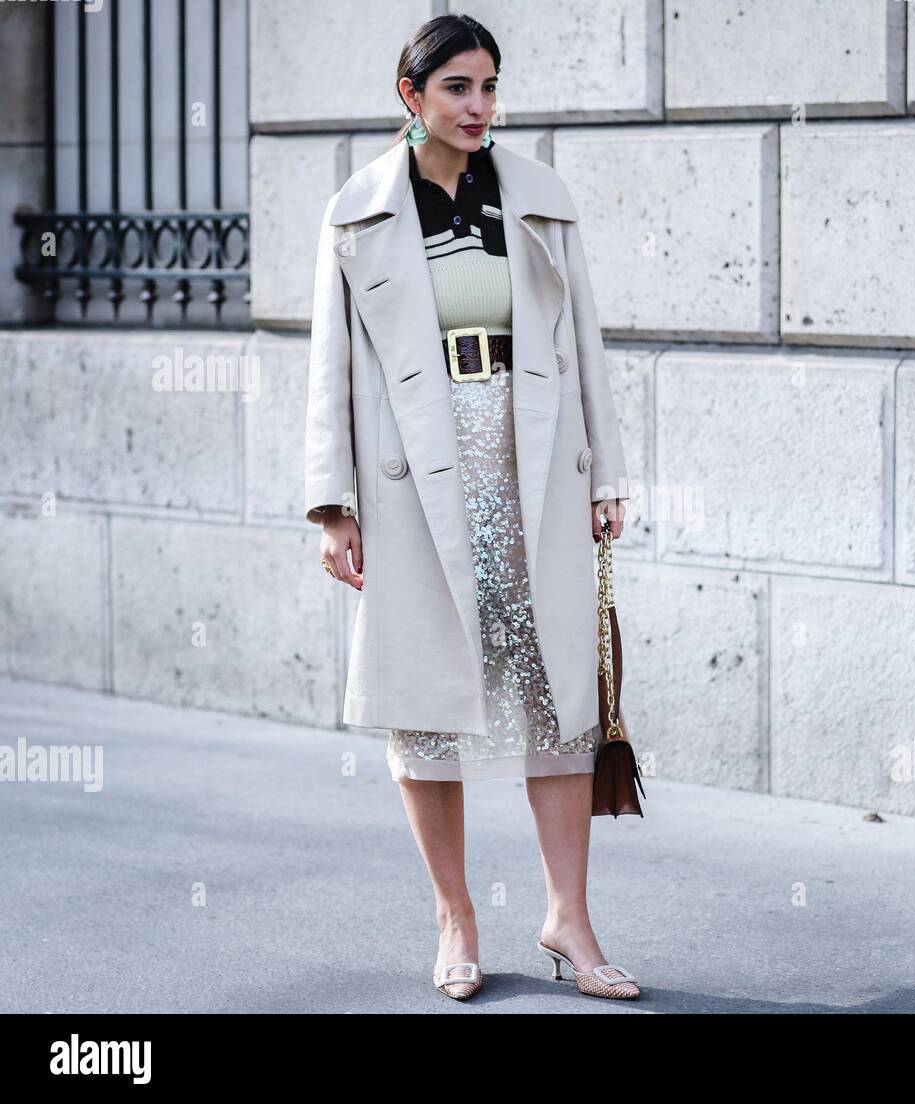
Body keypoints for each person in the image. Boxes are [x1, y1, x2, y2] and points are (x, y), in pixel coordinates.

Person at [304, 13, 638, 1002]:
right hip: (415, 469)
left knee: (559, 700)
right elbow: (331, 369)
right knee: (427, 700)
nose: (479, 107)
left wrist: (608, 476)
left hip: (533, 459)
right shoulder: (357, 210)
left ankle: (568, 922)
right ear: (410, 95)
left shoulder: (538, 197)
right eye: (457, 87)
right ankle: (456, 920)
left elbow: (586, 340)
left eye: (489, 86)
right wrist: (333, 505)